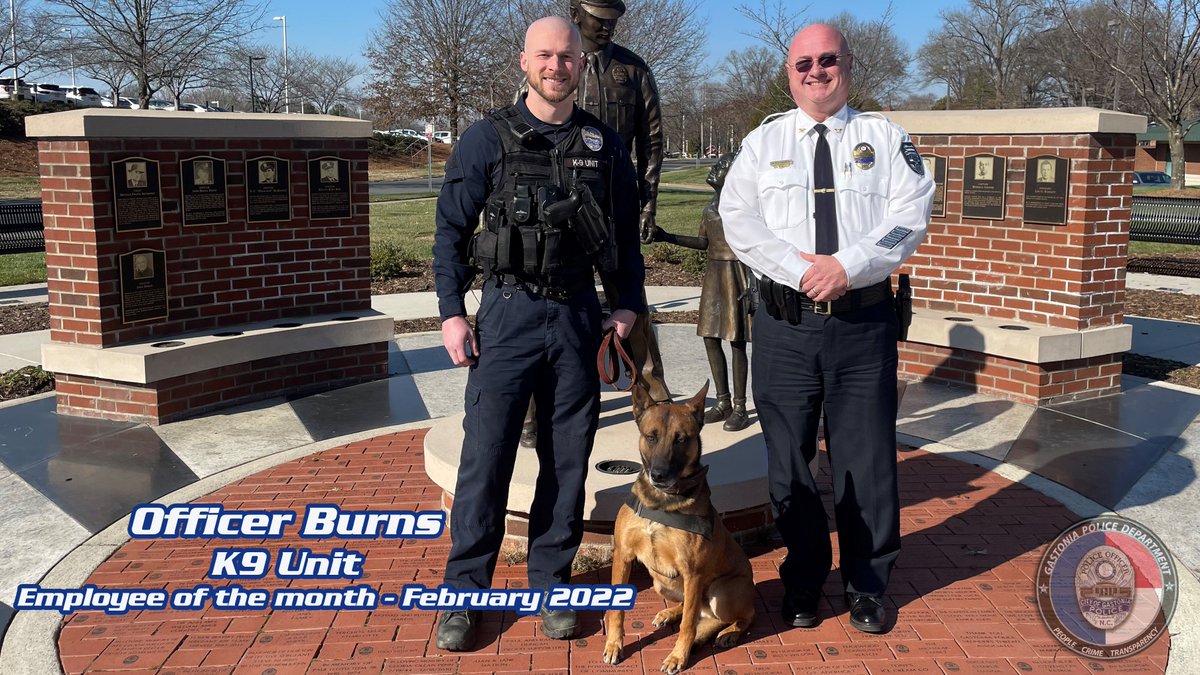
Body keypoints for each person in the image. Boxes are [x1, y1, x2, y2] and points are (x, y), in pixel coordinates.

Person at [431, 16, 643, 651]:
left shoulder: (604, 146)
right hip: (506, 315)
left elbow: (627, 239)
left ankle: (553, 587)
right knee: (486, 458)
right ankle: (465, 595)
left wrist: (627, 305)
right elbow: (449, 233)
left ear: (582, 63)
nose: (557, 66)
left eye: (568, 56)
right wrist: (450, 313)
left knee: (568, 460)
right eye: (545, 56)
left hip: (577, 318)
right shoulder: (484, 139)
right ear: (524, 62)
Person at [720, 24, 934, 635]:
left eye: (828, 60)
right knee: (788, 460)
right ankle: (805, 580)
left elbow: (909, 215)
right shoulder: (765, 142)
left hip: (861, 323)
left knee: (864, 462)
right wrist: (799, 270)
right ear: (789, 73)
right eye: (803, 63)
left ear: (848, 65)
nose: (817, 71)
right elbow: (738, 217)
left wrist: (847, 267)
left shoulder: (885, 138)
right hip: (785, 326)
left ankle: (867, 583)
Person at [652, 152, 753, 431]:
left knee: (736, 340)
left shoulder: (744, 205)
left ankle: (741, 406)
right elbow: (702, 242)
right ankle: (723, 402)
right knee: (710, 337)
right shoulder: (711, 206)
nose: (715, 168)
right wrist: (666, 236)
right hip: (714, 274)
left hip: (736, 274)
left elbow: (756, 245)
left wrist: (752, 283)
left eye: (722, 166)